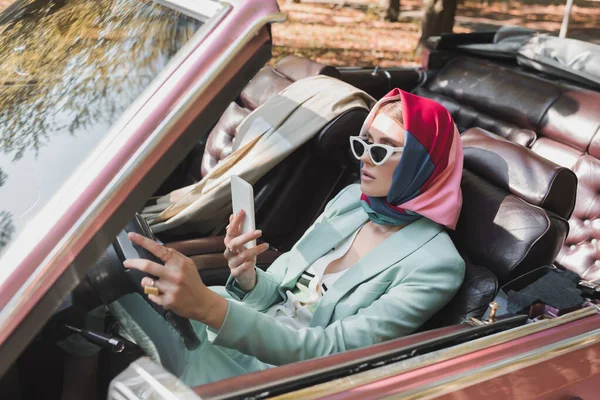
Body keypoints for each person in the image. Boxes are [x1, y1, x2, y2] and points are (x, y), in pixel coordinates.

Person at [118, 88, 466, 387]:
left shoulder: (436, 265)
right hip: (248, 328)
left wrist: (209, 308)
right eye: (363, 143)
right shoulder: (351, 201)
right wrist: (248, 275)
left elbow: (331, 353)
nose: (363, 159)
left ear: (421, 165)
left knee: (153, 360)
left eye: (380, 150)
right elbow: (277, 294)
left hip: (289, 375)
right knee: (121, 296)